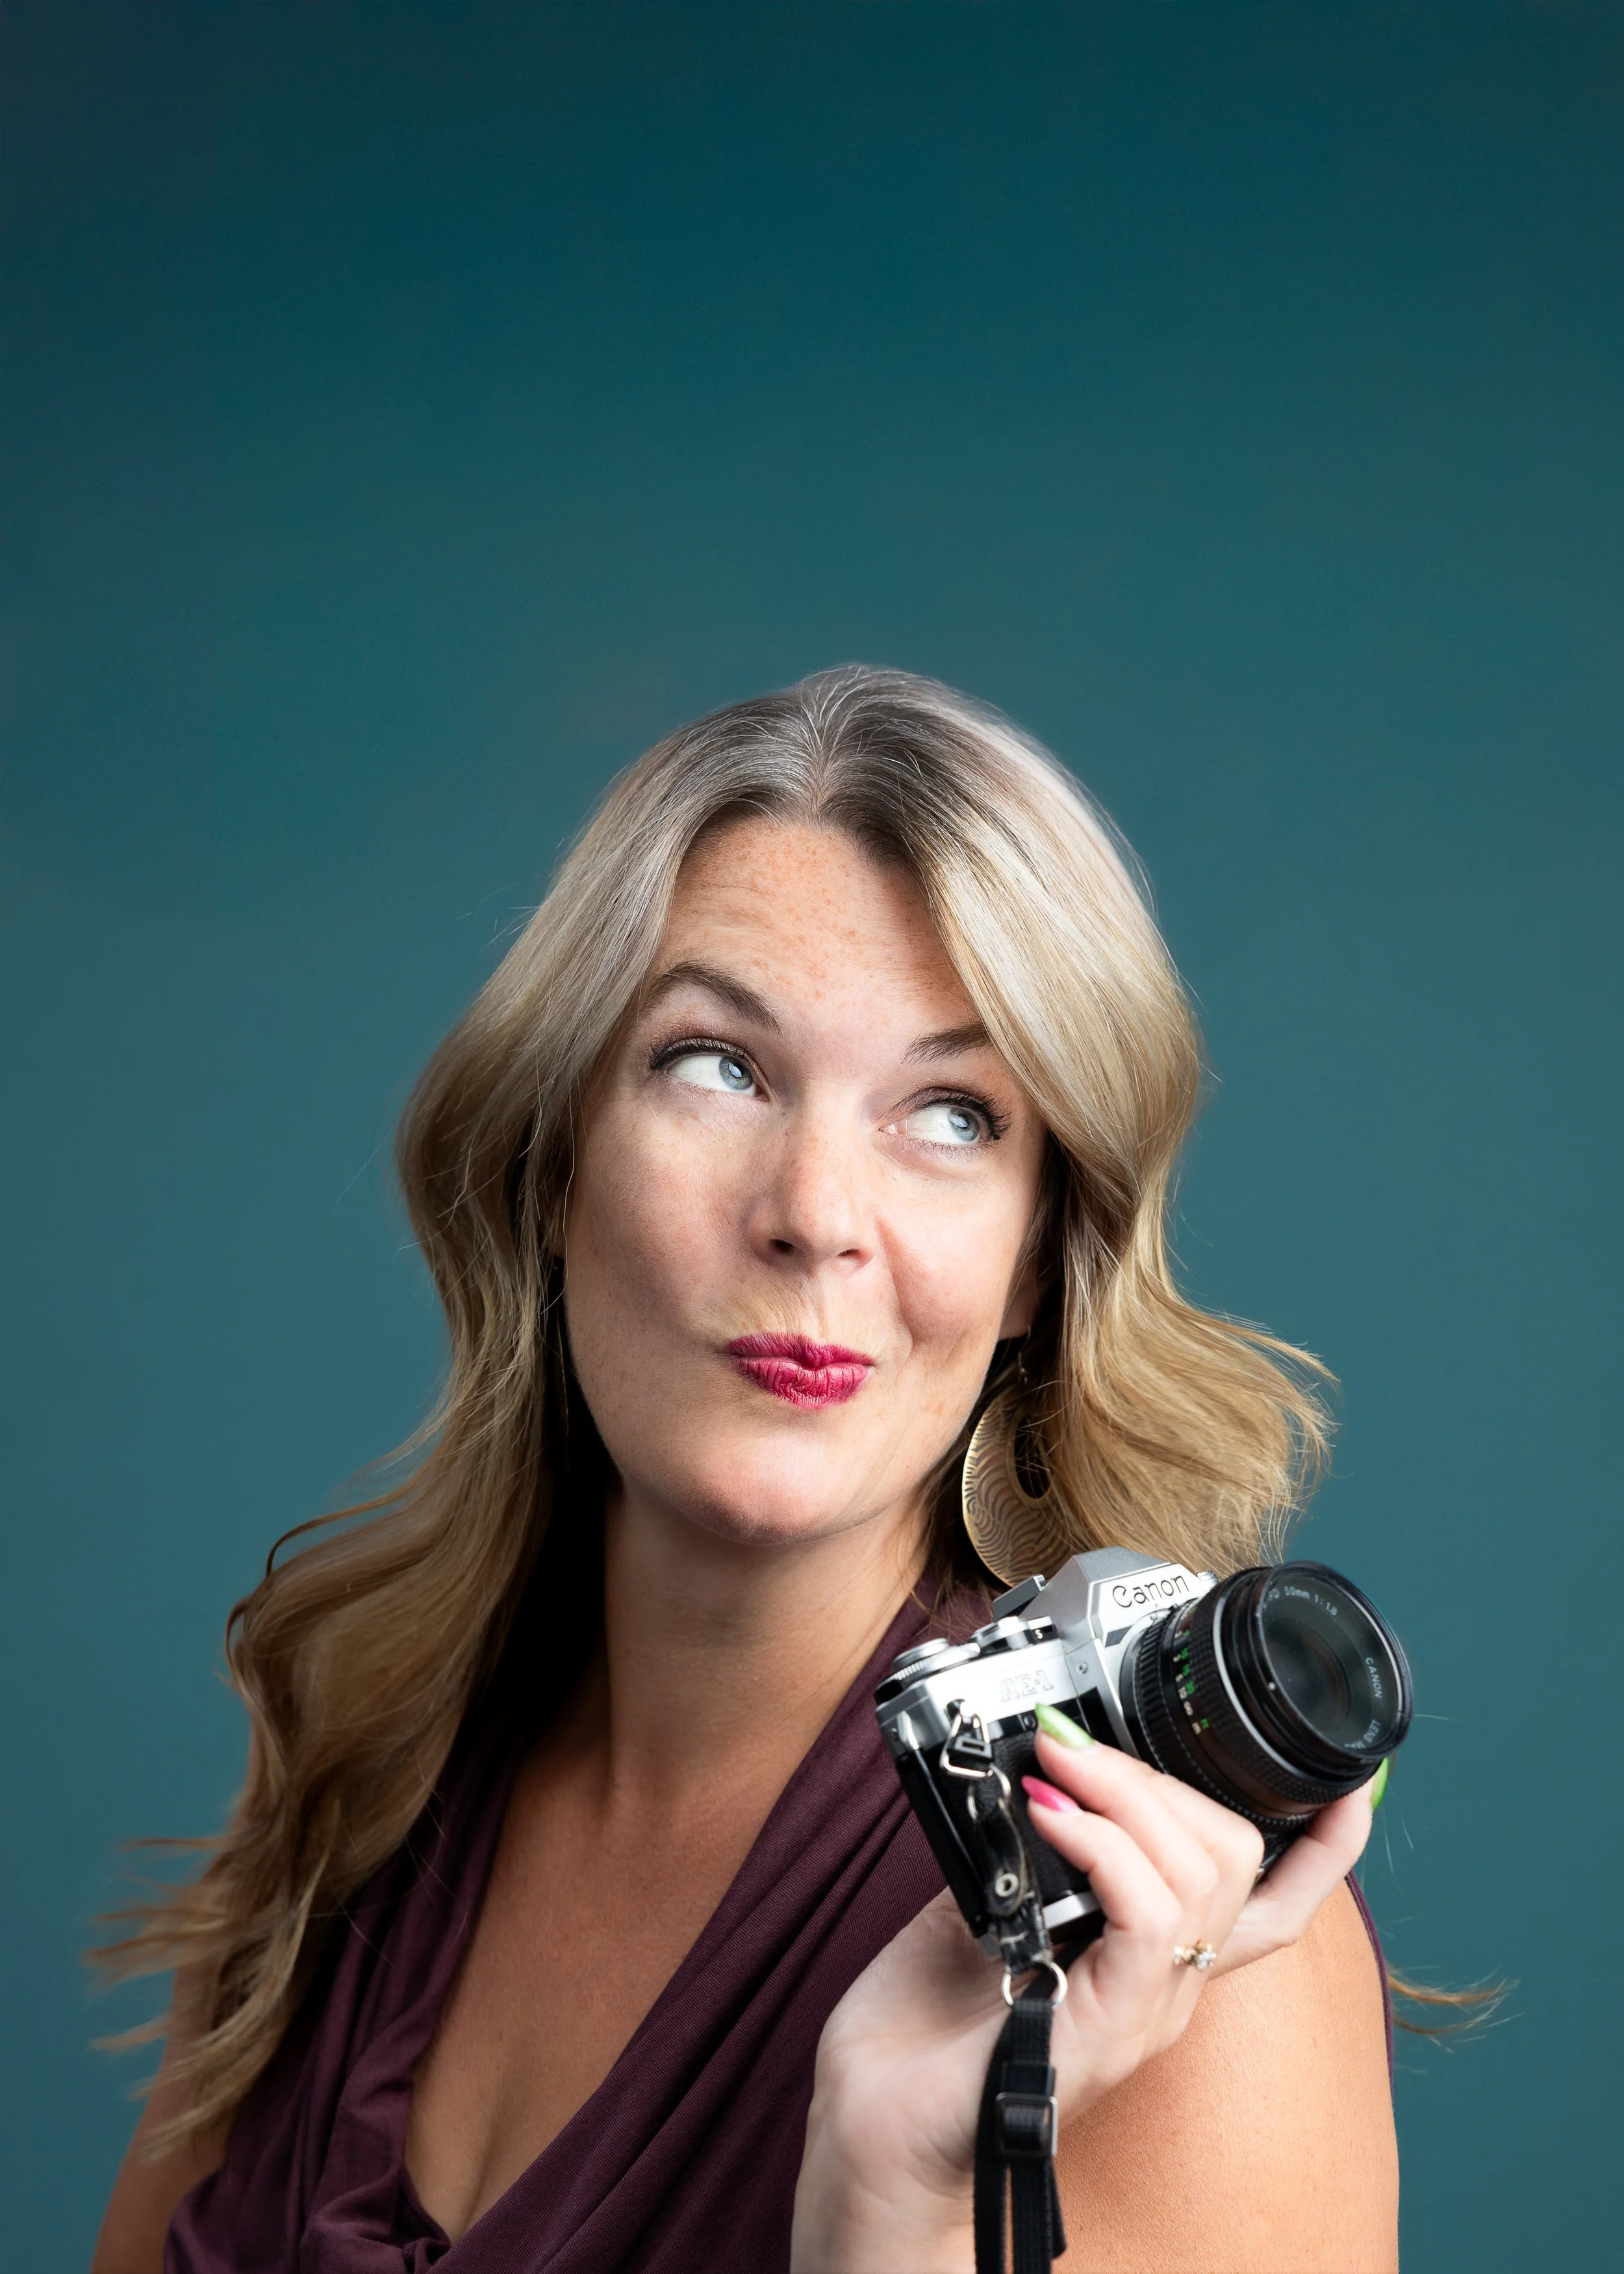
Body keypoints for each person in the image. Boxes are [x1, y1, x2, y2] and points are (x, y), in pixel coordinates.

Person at [92, 669, 1397, 2273]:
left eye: (950, 1112)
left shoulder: (1179, 1957)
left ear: (1039, 1262)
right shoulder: (358, 1771)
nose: (813, 1213)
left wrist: (885, 2217)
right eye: (717, 1065)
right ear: (548, 1157)